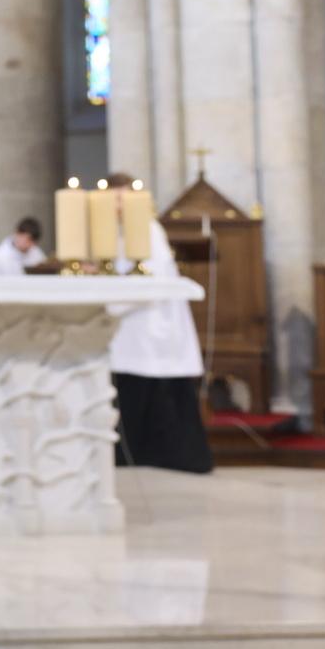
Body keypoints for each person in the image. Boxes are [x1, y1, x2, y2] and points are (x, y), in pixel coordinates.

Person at [102, 172, 213, 473]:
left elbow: (151, 277)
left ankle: (171, 456)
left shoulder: (148, 230)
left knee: (153, 385)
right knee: (131, 387)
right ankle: (133, 454)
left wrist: (109, 305)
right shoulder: (108, 230)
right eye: (113, 198)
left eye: (122, 198)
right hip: (129, 325)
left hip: (150, 322)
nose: (118, 205)